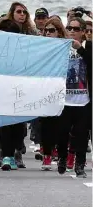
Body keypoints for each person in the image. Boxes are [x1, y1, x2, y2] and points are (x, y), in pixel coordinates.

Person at [57, 17, 90, 178]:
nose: (72, 31)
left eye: (76, 29)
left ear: (83, 32)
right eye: (69, 28)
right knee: (62, 133)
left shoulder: (89, 46)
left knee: (82, 135)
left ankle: (79, 165)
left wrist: (80, 50)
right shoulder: (61, 47)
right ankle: (62, 158)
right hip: (64, 100)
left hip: (84, 101)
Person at [0, 19, 27, 171]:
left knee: (19, 127)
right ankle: (7, 156)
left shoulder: (23, 50)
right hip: (2, 92)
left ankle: (16, 151)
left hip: (20, 92)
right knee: (5, 124)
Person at [39, 17, 67, 170]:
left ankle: (59, 152)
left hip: (62, 90)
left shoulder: (66, 46)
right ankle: (47, 155)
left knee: (61, 125)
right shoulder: (41, 47)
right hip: (46, 89)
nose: (48, 33)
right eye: (46, 30)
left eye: (52, 30)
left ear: (59, 32)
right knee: (46, 124)